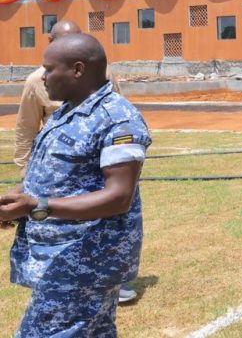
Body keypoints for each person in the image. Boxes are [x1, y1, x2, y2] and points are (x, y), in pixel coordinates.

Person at [1, 34, 151, 335]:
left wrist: (37, 206)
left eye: (49, 69)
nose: (42, 77)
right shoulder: (67, 112)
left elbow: (119, 196)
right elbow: (61, 177)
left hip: (86, 259)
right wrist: (19, 201)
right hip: (65, 257)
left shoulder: (117, 119)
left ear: (77, 70)